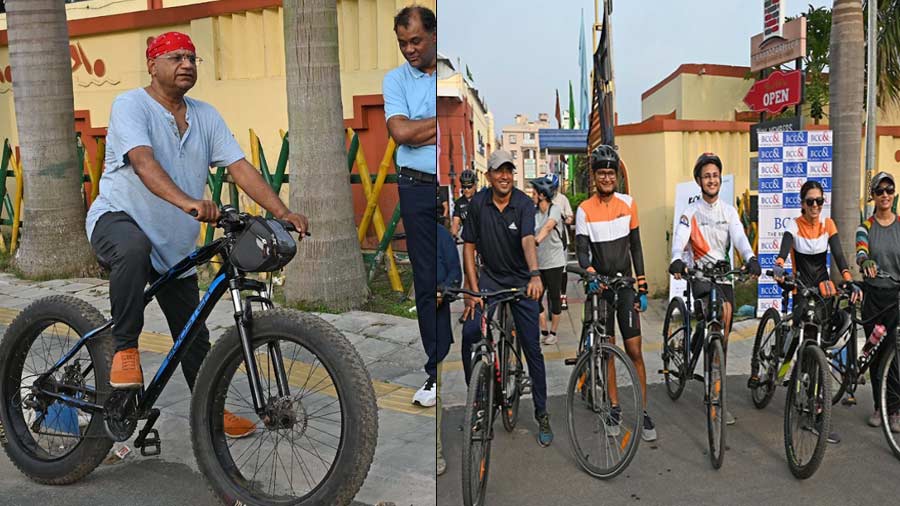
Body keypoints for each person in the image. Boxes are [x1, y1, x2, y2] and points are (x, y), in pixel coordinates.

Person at [85, 32, 308, 439]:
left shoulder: (205, 115)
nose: (186, 64)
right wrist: (189, 202)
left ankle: (210, 411)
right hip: (118, 219)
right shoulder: (131, 105)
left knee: (193, 335)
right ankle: (124, 350)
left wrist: (282, 212)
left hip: (174, 244)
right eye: (175, 57)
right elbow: (143, 162)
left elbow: (240, 167)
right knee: (133, 250)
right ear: (152, 65)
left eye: (192, 58)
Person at [461, 149, 552, 447]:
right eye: (499, 170)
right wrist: (473, 292)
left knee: (532, 348)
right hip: (490, 279)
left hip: (522, 281)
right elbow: (469, 247)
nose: (504, 176)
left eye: (509, 171)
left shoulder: (524, 204)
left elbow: (528, 239)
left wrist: (535, 274)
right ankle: (477, 398)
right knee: (471, 332)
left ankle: (541, 413)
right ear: (488, 175)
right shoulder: (477, 203)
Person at [761, 180, 858, 444]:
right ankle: (784, 365)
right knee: (800, 333)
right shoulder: (794, 225)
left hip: (823, 290)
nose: (814, 206)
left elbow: (838, 255)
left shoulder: (828, 225)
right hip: (802, 288)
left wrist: (847, 278)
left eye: (818, 201)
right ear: (802, 203)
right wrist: (780, 265)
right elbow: (784, 249)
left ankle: (814, 399)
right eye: (809, 201)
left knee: (824, 341)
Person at [669, 152, 760, 425]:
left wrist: (751, 258)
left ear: (720, 179)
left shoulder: (729, 211)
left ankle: (717, 393)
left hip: (723, 278)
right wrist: (676, 258)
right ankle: (689, 347)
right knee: (711, 315)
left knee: (721, 335)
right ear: (699, 181)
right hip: (699, 275)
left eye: (715, 175)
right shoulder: (690, 213)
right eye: (706, 176)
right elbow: (679, 240)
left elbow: (741, 240)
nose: (712, 180)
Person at [575, 145, 656, 442]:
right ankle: (614, 407)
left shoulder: (628, 204)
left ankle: (644, 410)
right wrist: (590, 272)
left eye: (611, 173)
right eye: (602, 173)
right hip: (601, 288)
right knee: (608, 351)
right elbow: (582, 252)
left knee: (634, 350)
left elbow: (635, 247)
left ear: (616, 177)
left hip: (624, 287)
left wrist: (642, 286)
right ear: (595, 177)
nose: (607, 178)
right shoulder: (584, 209)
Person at [383, 5, 442, 407]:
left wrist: (421, 131)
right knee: (425, 282)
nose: (409, 50)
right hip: (415, 188)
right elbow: (399, 132)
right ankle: (435, 371)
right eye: (403, 43)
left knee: (462, 278)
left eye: (416, 41)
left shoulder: (452, 77)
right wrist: (440, 123)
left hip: (452, 188)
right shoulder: (394, 80)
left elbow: (413, 131)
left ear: (434, 35)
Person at [856, 171, 900, 433]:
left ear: (894, 194)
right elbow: (861, 249)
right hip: (873, 298)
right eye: (879, 190)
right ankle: (878, 405)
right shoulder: (866, 226)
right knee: (875, 354)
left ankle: (894, 410)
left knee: (895, 356)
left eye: (889, 189)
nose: (884, 195)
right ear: (872, 196)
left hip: (895, 298)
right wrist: (865, 260)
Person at [436, 213, 462, 477]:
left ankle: (436, 452)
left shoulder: (442, 237)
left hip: (437, 327)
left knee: (435, 390)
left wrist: (442, 292)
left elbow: (455, 274)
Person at [530, 177, 565, 345]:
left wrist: (536, 241)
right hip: (539, 262)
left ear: (542, 195)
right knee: (535, 297)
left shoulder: (555, 210)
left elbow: (549, 226)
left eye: (534, 193)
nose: (532, 196)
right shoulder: (534, 213)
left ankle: (554, 332)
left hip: (555, 262)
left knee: (554, 297)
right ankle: (543, 329)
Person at [547, 173, 575, 310]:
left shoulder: (562, 199)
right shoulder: (542, 198)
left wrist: (565, 217)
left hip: (561, 239)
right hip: (546, 240)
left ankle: (563, 295)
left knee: (562, 268)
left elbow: (570, 217)